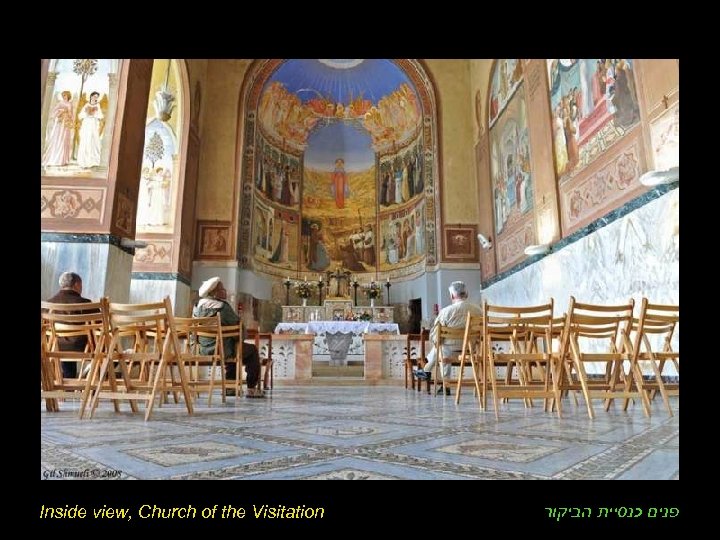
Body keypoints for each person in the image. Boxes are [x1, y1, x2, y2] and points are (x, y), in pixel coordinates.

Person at [192, 277, 264, 398]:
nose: (225, 291)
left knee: (231, 344)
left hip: (202, 349)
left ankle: (230, 389)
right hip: (222, 349)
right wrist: (240, 337)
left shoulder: (197, 307)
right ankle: (251, 388)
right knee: (251, 350)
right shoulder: (222, 307)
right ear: (214, 292)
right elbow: (238, 326)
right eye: (222, 288)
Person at [415, 281, 482, 395]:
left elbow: (435, 335)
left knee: (440, 346)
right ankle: (428, 372)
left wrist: (436, 342)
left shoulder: (445, 312)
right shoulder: (478, 311)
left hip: (449, 349)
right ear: (467, 294)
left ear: (452, 295)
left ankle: (440, 381)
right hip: (471, 348)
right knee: (441, 347)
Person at [46, 272, 92, 379]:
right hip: (83, 348)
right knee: (107, 348)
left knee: (63, 343)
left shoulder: (48, 304)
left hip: (54, 346)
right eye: (81, 285)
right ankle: (95, 368)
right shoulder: (85, 303)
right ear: (76, 285)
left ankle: (69, 382)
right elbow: (100, 326)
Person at [42, 90, 74, 167]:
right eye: (63, 95)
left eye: (65, 95)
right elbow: (54, 111)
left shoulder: (70, 104)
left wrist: (67, 112)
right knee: (57, 138)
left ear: (68, 96)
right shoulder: (60, 103)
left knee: (64, 139)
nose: (64, 97)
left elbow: (71, 115)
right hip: (59, 122)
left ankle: (62, 160)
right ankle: (55, 158)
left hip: (65, 123)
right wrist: (60, 112)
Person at [77, 91, 104, 169]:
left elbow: (100, 115)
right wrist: (87, 113)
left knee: (93, 140)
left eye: (97, 97)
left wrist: (94, 114)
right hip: (86, 124)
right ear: (91, 96)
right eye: (94, 96)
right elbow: (80, 115)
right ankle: (83, 162)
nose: (95, 98)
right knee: (85, 140)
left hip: (93, 124)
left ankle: (92, 161)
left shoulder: (98, 105)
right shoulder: (86, 104)